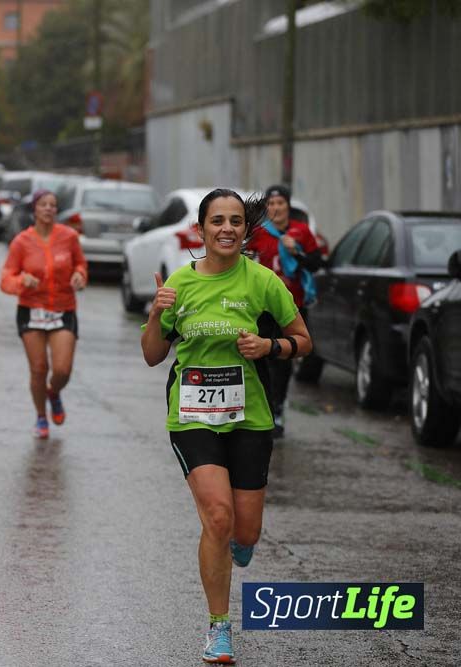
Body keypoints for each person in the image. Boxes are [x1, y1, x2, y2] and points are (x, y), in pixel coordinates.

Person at [139, 188, 313, 665]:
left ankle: (241, 541)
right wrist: (157, 312)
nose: (227, 229)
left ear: (244, 229)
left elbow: (303, 340)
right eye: (217, 221)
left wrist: (268, 347)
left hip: (249, 418)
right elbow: (154, 355)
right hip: (192, 416)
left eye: (236, 220)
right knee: (217, 516)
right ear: (201, 230)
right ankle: (219, 628)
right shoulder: (181, 283)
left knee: (246, 531)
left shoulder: (262, 282)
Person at [0, 190, 87, 439]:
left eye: (53, 205)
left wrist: (80, 275)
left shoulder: (69, 237)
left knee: (61, 370)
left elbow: (81, 264)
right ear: (34, 209)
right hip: (31, 310)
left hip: (62, 308)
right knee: (39, 368)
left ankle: (54, 392)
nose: (49, 209)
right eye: (43, 204)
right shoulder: (21, 242)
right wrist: (21, 280)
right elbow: (5, 279)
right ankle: (41, 416)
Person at [246, 184, 322, 438]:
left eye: (281, 204)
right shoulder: (258, 234)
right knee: (262, 357)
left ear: (288, 207)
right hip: (263, 308)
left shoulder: (302, 232)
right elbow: (243, 261)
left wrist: (296, 253)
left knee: (286, 358)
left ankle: (277, 409)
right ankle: (263, 406)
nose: (276, 208)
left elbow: (317, 263)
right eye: (271, 204)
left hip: (294, 305)